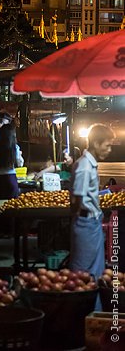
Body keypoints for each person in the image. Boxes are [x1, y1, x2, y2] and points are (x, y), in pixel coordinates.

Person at [69, 123, 114, 289]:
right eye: (107, 146)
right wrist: (80, 219)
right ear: (96, 144)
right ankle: (82, 310)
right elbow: (77, 199)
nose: (109, 150)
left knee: (96, 272)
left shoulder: (89, 164)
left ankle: (94, 310)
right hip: (85, 224)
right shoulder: (85, 167)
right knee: (82, 274)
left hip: (92, 222)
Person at [0, 121, 24, 236]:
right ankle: (9, 230)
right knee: (11, 205)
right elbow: (20, 164)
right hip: (10, 178)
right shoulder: (15, 147)